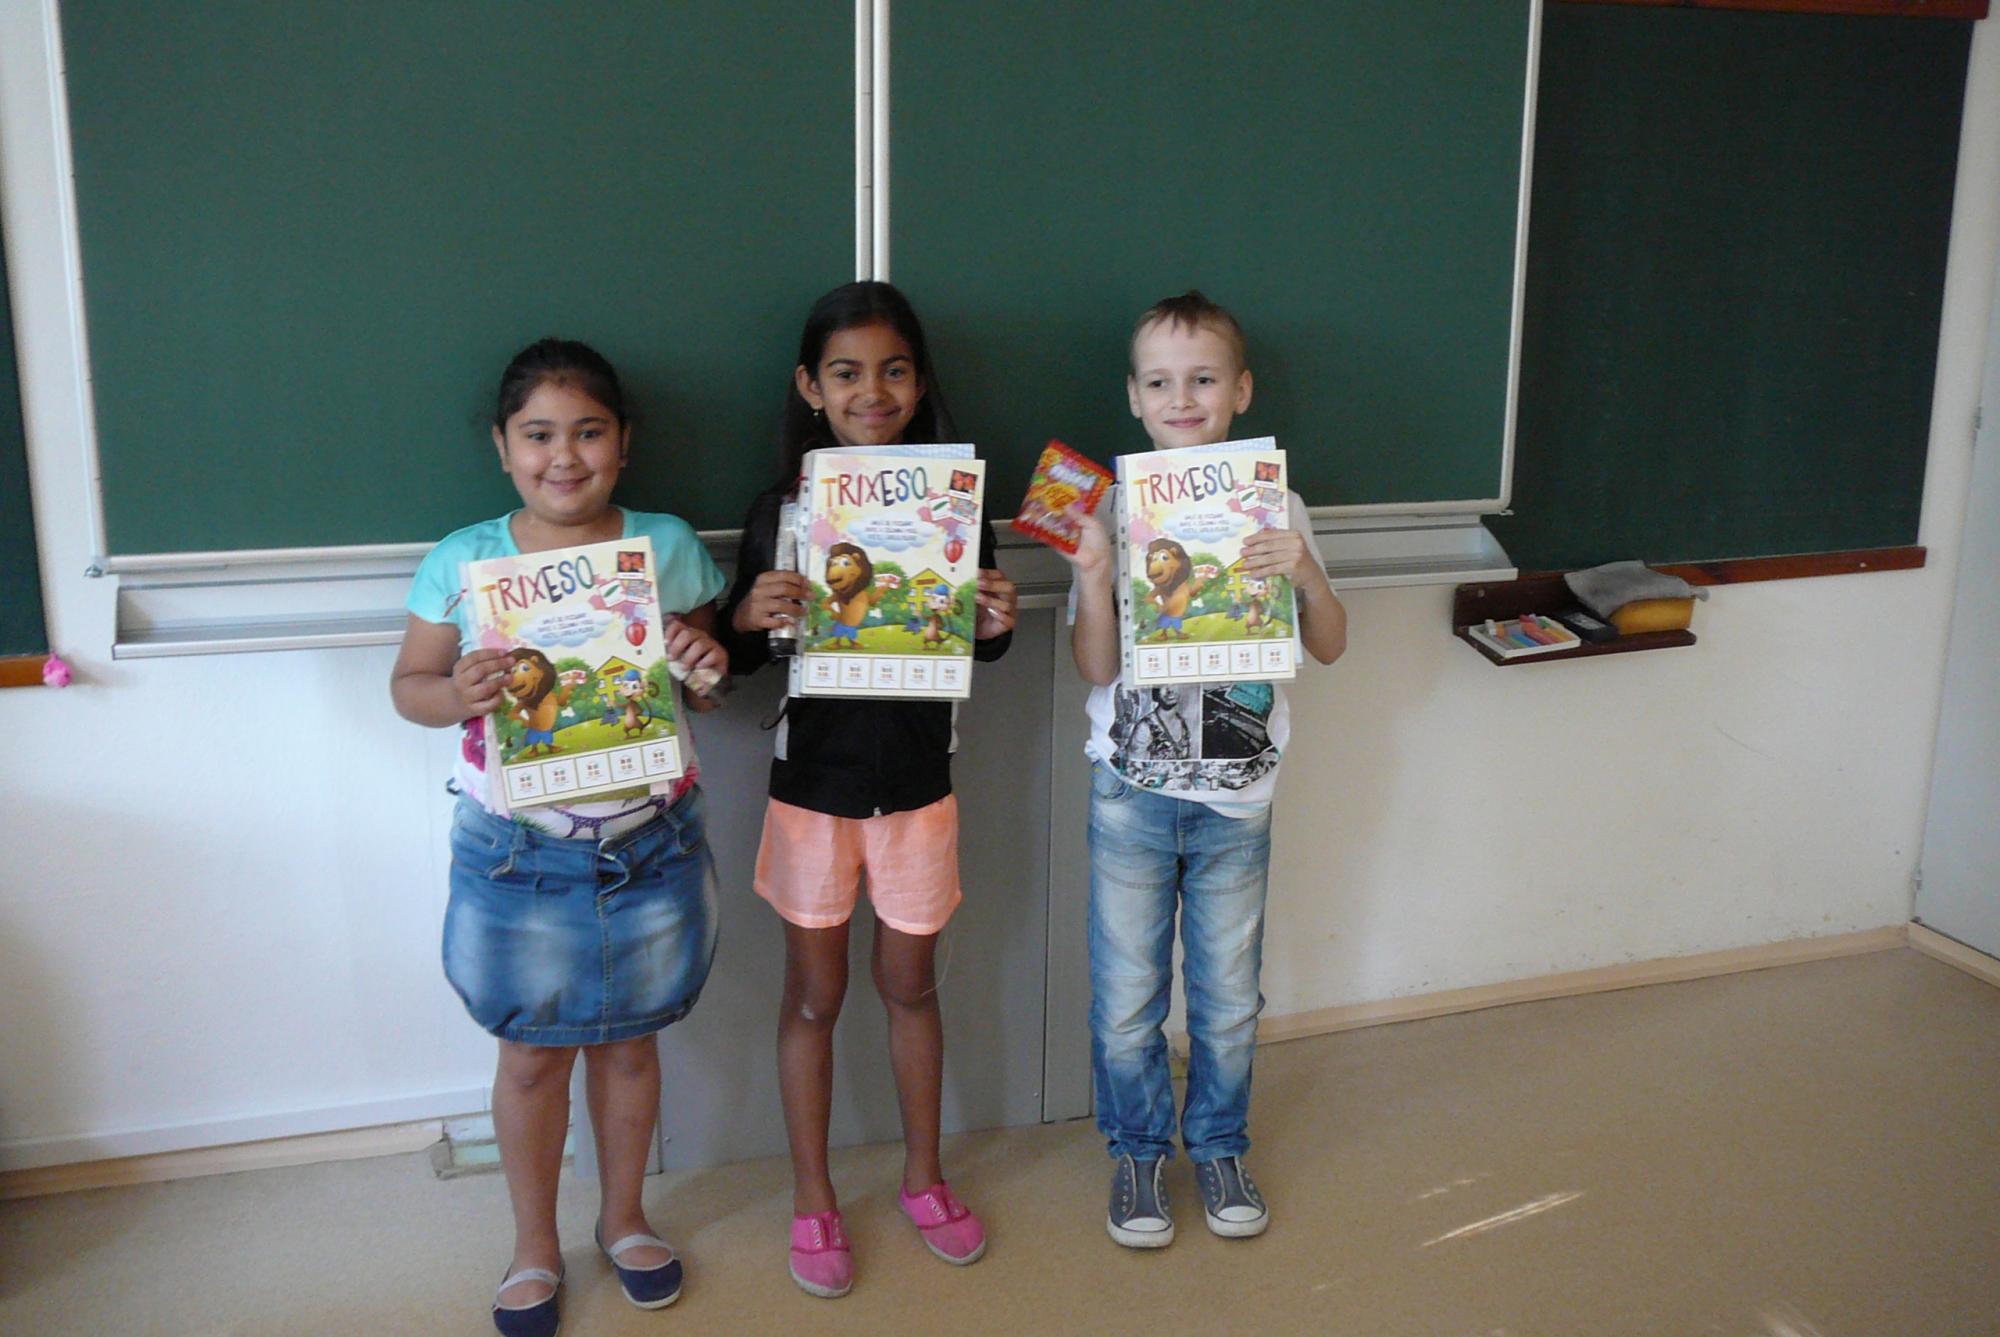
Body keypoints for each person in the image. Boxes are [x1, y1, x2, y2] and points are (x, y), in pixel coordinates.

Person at [390, 338, 728, 1336]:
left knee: (630, 1044)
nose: (564, 455)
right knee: (532, 1055)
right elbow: (409, 686)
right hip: (517, 851)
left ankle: (624, 1218)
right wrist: (456, 690)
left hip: (650, 841)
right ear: (502, 447)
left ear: (624, 443)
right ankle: (533, 1242)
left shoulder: (665, 545)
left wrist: (702, 661)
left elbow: (707, 681)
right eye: (538, 434)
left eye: (588, 432)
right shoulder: (463, 561)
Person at [720, 281, 1018, 1298]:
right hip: (813, 790)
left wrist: (993, 620)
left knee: (911, 986)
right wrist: (747, 617)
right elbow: (741, 654)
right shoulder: (782, 511)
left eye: (893, 369)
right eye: (846, 372)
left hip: (917, 789)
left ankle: (923, 1177)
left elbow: (979, 638)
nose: (872, 391)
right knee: (813, 995)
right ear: (811, 386)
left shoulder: (954, 505)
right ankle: (813, 1195)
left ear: (920, 381)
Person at [1063, 292, 1348, 1248]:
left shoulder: (1280, 507)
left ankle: (1220, 1144)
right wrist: (1093, 575)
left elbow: (1332, 643)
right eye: (1160, 382)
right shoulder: (1108, 508)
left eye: (1203, 379)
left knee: (1227, 1002)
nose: (1181, 398)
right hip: (1131, 793)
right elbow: (1094, 668)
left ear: (1242, 390)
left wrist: (1303, 572)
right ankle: (1139, 1152)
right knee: (1126, 1001)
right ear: (1134, 397)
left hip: (1237, 801)